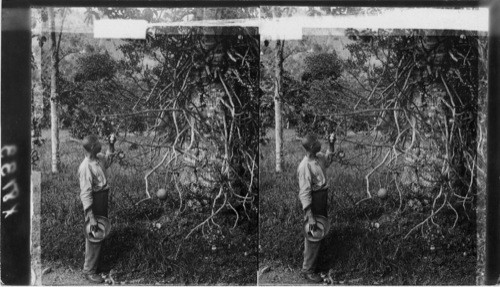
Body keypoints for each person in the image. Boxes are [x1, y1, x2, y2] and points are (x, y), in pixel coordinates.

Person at [297, 132, 336, 283]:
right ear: (312, 146)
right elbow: (304, 193)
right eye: (317, 142)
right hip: (313, 202)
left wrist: (331, 144)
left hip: (321, 197)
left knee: (320, 231)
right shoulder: (304, 166)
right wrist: (310, 215)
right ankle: (307, 270)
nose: (320, 143)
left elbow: (329, 160)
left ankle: (315, 264)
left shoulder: (318, 157)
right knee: (312, 233)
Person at [78, 134, 116, 283]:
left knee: (101, 232)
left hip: (102, 198)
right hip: (93, 203)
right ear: (93, 147)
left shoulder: (98, 159)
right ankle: (89, 270)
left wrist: (111, 144)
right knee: (93, 234)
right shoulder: (85, 167)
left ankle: (96, 265)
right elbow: (85, 194)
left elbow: (108, 160)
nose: (101, 143)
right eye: (98, 142)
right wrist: (91, 216)